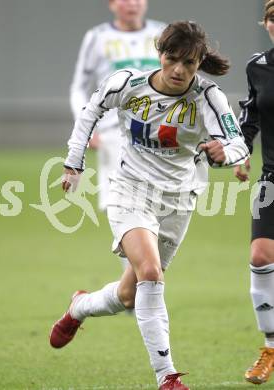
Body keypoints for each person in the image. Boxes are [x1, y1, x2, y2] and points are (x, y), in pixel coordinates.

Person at [50, 21, 249, 390]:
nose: (179, 70)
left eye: (189, 63)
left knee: (129, 294)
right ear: (160, 54)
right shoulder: (128, 84)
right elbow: (91, 111)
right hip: (131, 191)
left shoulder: (208, 97)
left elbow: (236, 141)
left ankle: (79, 306)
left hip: (178, 200)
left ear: (199, 62)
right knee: (152, 274)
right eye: (172, 59)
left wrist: (227, 153)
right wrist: (74, 161)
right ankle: (167, 377)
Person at [70, 0, 165, 211]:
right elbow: (79, 88)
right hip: (115, 132)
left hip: (160, 132)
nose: (132, 4)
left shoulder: (163, 33)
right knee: (120, 207)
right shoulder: (97, 37)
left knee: (161, 206)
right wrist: (86, 127)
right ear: (111, 4)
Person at [234, 0, 274, 385]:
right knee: (261, 256)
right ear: (265, 24)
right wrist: (239, 153)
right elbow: (251, 117)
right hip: (272, 179)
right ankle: (270, 347)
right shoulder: (257, 67)